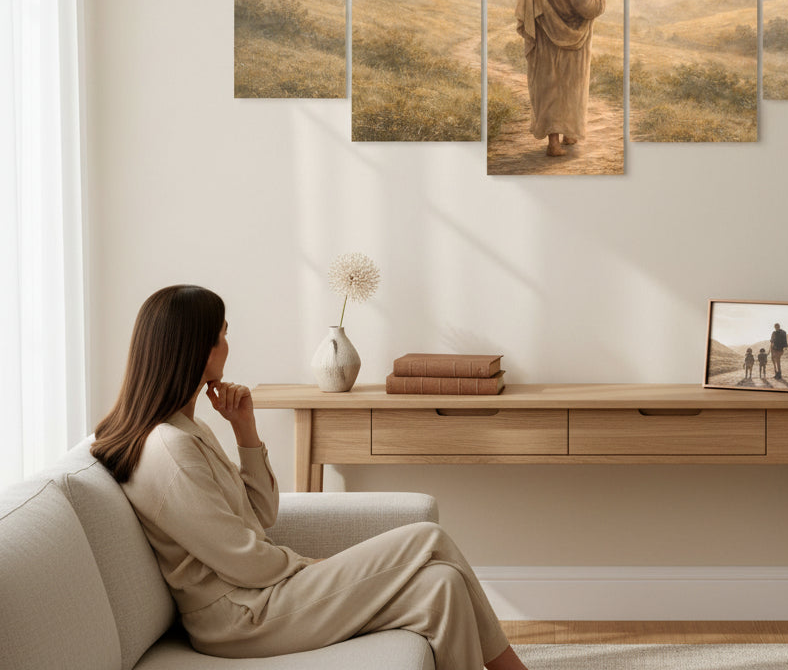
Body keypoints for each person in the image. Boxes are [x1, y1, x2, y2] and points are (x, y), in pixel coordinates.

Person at [91, 285, 528, 669]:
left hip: (260, 598)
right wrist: (312, 567)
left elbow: (260, 514)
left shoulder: (190, 431)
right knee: (429, 537)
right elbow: (242, 558)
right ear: (199, 350)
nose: (228, 344)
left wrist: (245, 431)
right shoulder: (170, 448)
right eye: (223, 335)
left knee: (443, 587)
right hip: (242, 617)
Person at [515, 0, 607, 157]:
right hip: (572, 41)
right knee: (570, 87)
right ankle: (564, 138)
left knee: (547, 88)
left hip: (542, 38)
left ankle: (556, 141)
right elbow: (587, 6)